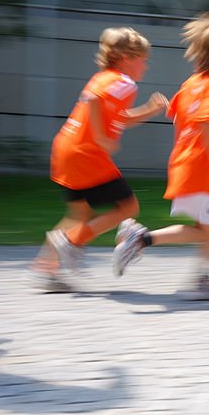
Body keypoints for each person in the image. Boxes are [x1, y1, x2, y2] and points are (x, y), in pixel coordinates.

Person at [112, 12, 209, 300]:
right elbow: (207, 124)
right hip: (204, 166)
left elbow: (181, 117)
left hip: (185, 160)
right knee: (206, 230)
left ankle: (204, 278)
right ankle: (141, 239)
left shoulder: (192, 83)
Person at [37, 27, 168, 290]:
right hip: (86, 153)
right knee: (128, 208)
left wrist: (149, 110)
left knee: (80, 214)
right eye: (143, 59)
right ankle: (72, 244)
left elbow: (117, 116)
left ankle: (46, 270)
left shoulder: (105, 78)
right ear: (126, 58)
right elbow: (93, 100)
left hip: (65, 149)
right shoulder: (124, 82)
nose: (146, 65)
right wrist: (102, 137)